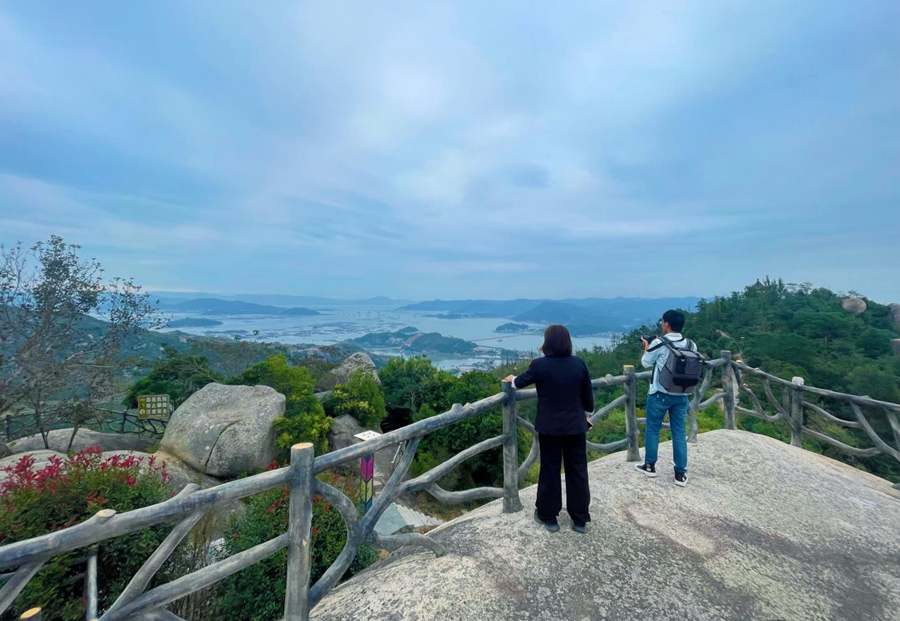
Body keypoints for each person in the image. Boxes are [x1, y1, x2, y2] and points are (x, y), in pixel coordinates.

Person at [503, 325, 594, 533]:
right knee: (578, 471)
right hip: (575, 427)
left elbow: (520, 382)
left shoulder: (540, 365)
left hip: (550, 428)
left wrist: (512, 379)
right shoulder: (578, 364)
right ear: (567, 342)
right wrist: (586, 412)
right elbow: (587, 398)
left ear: (547, 343)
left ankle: (548, 516)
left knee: (550, 470)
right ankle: (579, 519)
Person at [635, 309, 697, 487]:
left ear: (667, 324)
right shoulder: (691, 345)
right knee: (679, 432)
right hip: (682, 394)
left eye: (663, 322)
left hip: (660, 394)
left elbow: (645, 362)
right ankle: (680, 474)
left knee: (653, 429)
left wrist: (646, 347)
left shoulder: (660, 343)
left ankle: (649, 465)